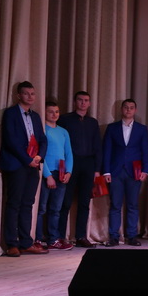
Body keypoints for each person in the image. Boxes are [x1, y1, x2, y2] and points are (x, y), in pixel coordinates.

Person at [0, 82, 48, 257]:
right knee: (14, 203)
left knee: (28, 204)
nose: (30, 97)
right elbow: (10, 140)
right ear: (19, 95)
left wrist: (39, 157)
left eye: (32, 94)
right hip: (17, 164)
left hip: (33, 165)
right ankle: (12, 244)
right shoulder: (11, 113)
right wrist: (27, 160)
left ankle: (26, 242)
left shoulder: (35, 116)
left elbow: (43, 139)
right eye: (26, 93)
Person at [101, 98, 148, 246]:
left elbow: (145, 151)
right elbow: (107, 150)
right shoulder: (112, 128)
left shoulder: (142, 129)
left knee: (133, 205)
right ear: (122, 109)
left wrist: (145, 170)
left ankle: (132, 236)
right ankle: (114, 237)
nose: (128, 110)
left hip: (134, 172)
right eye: (126, 107)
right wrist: (106, 171)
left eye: (131, 107)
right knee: (115, 205)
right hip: (115, 171)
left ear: (135, 110)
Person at [58, 91, 102, 248]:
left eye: (86, 100)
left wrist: (97, 169)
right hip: (71, 163)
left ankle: (81, 236)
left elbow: (97, 146)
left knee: (84, 202)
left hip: (88, 164)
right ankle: (60, 236)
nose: (83, 103)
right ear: (75, 102)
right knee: (65, 201)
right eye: (80, 100)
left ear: (89, 103)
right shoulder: (65, 119)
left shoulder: (93, 122)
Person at [35, 101, 74, 251]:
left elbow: (69, 153)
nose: (54, 114)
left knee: (56, 209)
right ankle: (37, 239)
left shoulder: (64, 131)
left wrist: (69, 172)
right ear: (44, 112)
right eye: (50, 111)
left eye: (56, 111)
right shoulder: (42, 130)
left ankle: (53, 239)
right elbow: (40, 154)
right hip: (46, 173)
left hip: (61, 173)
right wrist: (47, 175)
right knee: (41, 208)